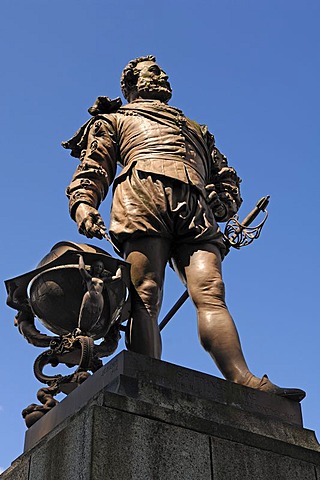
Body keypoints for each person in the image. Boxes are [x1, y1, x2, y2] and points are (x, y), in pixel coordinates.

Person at [64, 55, 304, 401]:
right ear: (131, 84)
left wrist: (223, 201)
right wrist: (84, 202)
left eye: (163, 71)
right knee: (145, 290)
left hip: (196, 207)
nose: (162, 76)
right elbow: (94, 166)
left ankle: (242, 378)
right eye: (153, 72)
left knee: (211, 290)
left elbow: (225, 178)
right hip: (142, 196)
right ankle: (145, 376)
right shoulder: (114, 119)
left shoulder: (197, 130)